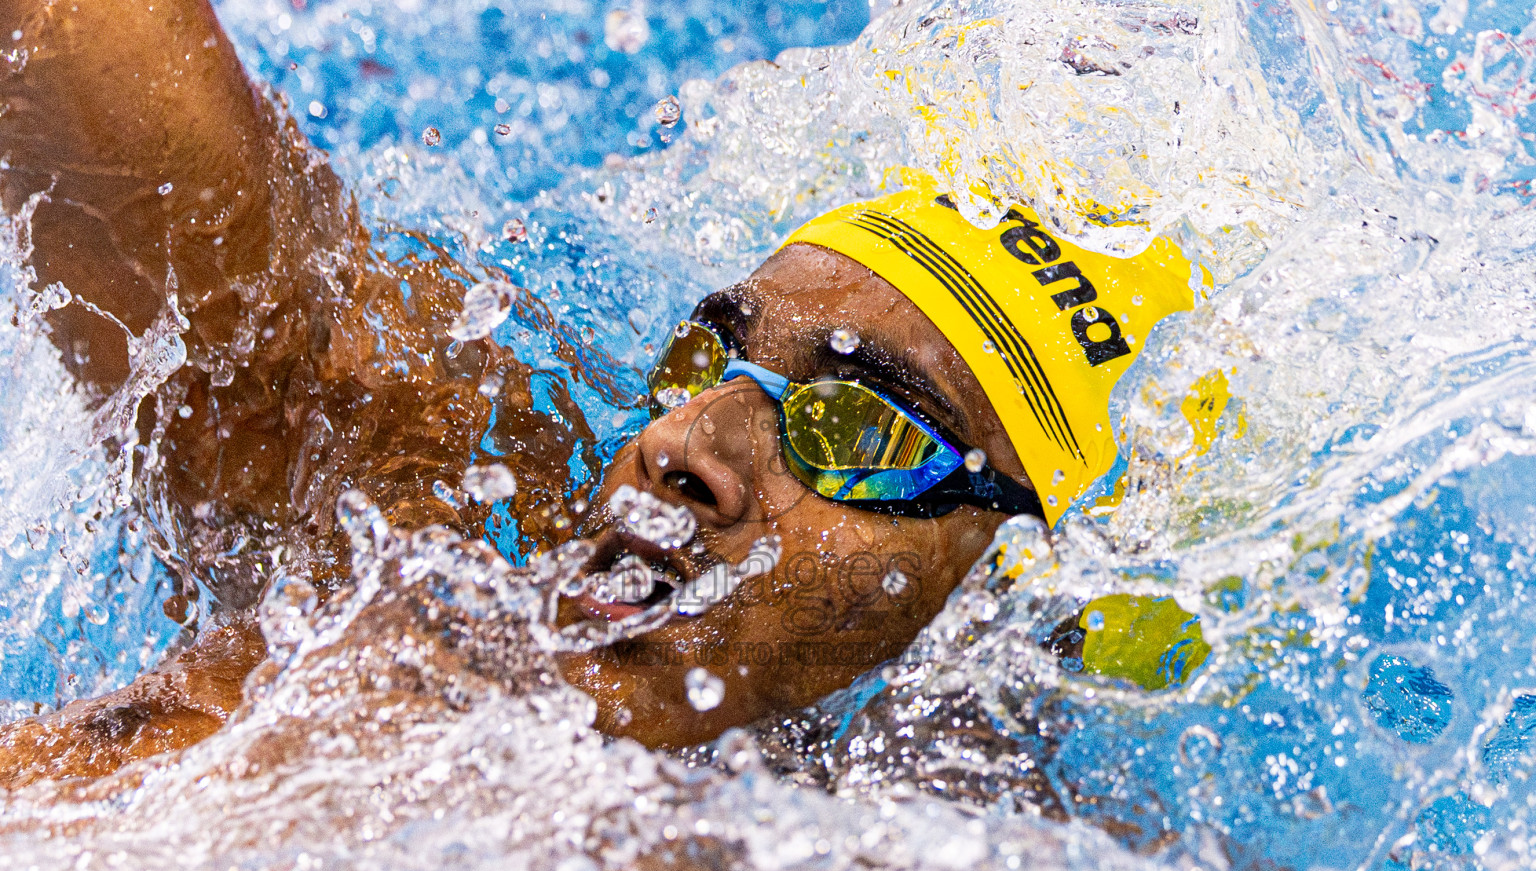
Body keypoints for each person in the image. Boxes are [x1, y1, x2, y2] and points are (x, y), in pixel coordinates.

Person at [0, 0, 1193, 783]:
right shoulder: (424, 562)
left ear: (1015, 591)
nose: (682, 440)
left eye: (855, 426)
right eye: (706, 359)